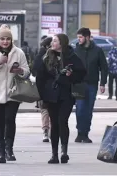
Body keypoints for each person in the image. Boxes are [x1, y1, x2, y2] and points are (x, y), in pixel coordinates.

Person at [0, 24, 30, 164]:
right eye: (2, 39)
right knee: (0, 123)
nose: (5, 41)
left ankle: (9, 149)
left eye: (7, 39)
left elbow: (27, 71)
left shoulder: (18, 53)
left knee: (10, 120)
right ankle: (1, 153)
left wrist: (20, 70)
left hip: (13, 93)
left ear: (11, 40)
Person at [35, 33, 86, 164]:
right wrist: (41, 95)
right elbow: (39, 75)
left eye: (56, 41)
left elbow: (82, 73)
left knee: (62, 121)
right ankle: (54, 154)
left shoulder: (71, 56)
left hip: (66, 95)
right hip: (50, 95)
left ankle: (64, 152)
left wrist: (71, 75)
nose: (53, 43)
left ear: (62, 43)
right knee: (54, 123)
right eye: (52, 41)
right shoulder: (46, 56)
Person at [74, 27, 108, 143]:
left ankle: (86, 133)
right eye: (78, 37)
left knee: (88, 110)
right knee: (80, 109)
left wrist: (103, 83)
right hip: (79, 84)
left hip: (92, 84)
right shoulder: (76, 50)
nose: (79, 39)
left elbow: (104, 67)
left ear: (87, 37)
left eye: (81, 37)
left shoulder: (97, 51)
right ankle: (80, 132)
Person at [33, 36, 53, 142]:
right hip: (44, 87)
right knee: (45, 110)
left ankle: (50, 131)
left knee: (50, 111)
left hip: (53, 87)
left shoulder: (57, 54)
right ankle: (46, 130)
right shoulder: (41, 55)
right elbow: (35, 70)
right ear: (47, 46)